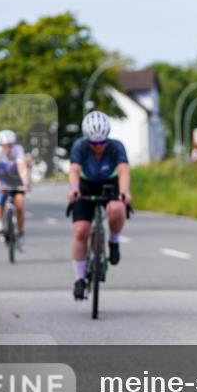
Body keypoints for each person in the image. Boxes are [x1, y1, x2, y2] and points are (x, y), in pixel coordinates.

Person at [67, 111, 131, 301]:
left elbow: (123, 171)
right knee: (80, 231)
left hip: (110, 185)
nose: (98, 147)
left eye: (102, 142)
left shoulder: (116, 147)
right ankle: (79, 278)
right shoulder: (80, 146)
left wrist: (125, 191)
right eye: (94, 143)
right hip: (85, 186)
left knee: (118, 209)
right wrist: (73, 189)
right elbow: (74, 169)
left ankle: (113, 241)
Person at [0, 130, 29, 250]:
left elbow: (22, 167)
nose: (7, 149)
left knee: (20, 204)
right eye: (4, 146)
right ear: (0, 145)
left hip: (16, 179)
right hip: (2, 179)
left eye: (10, 145)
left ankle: (20, 234)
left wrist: (25, 182)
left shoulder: (18, 150)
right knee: (1, 194)